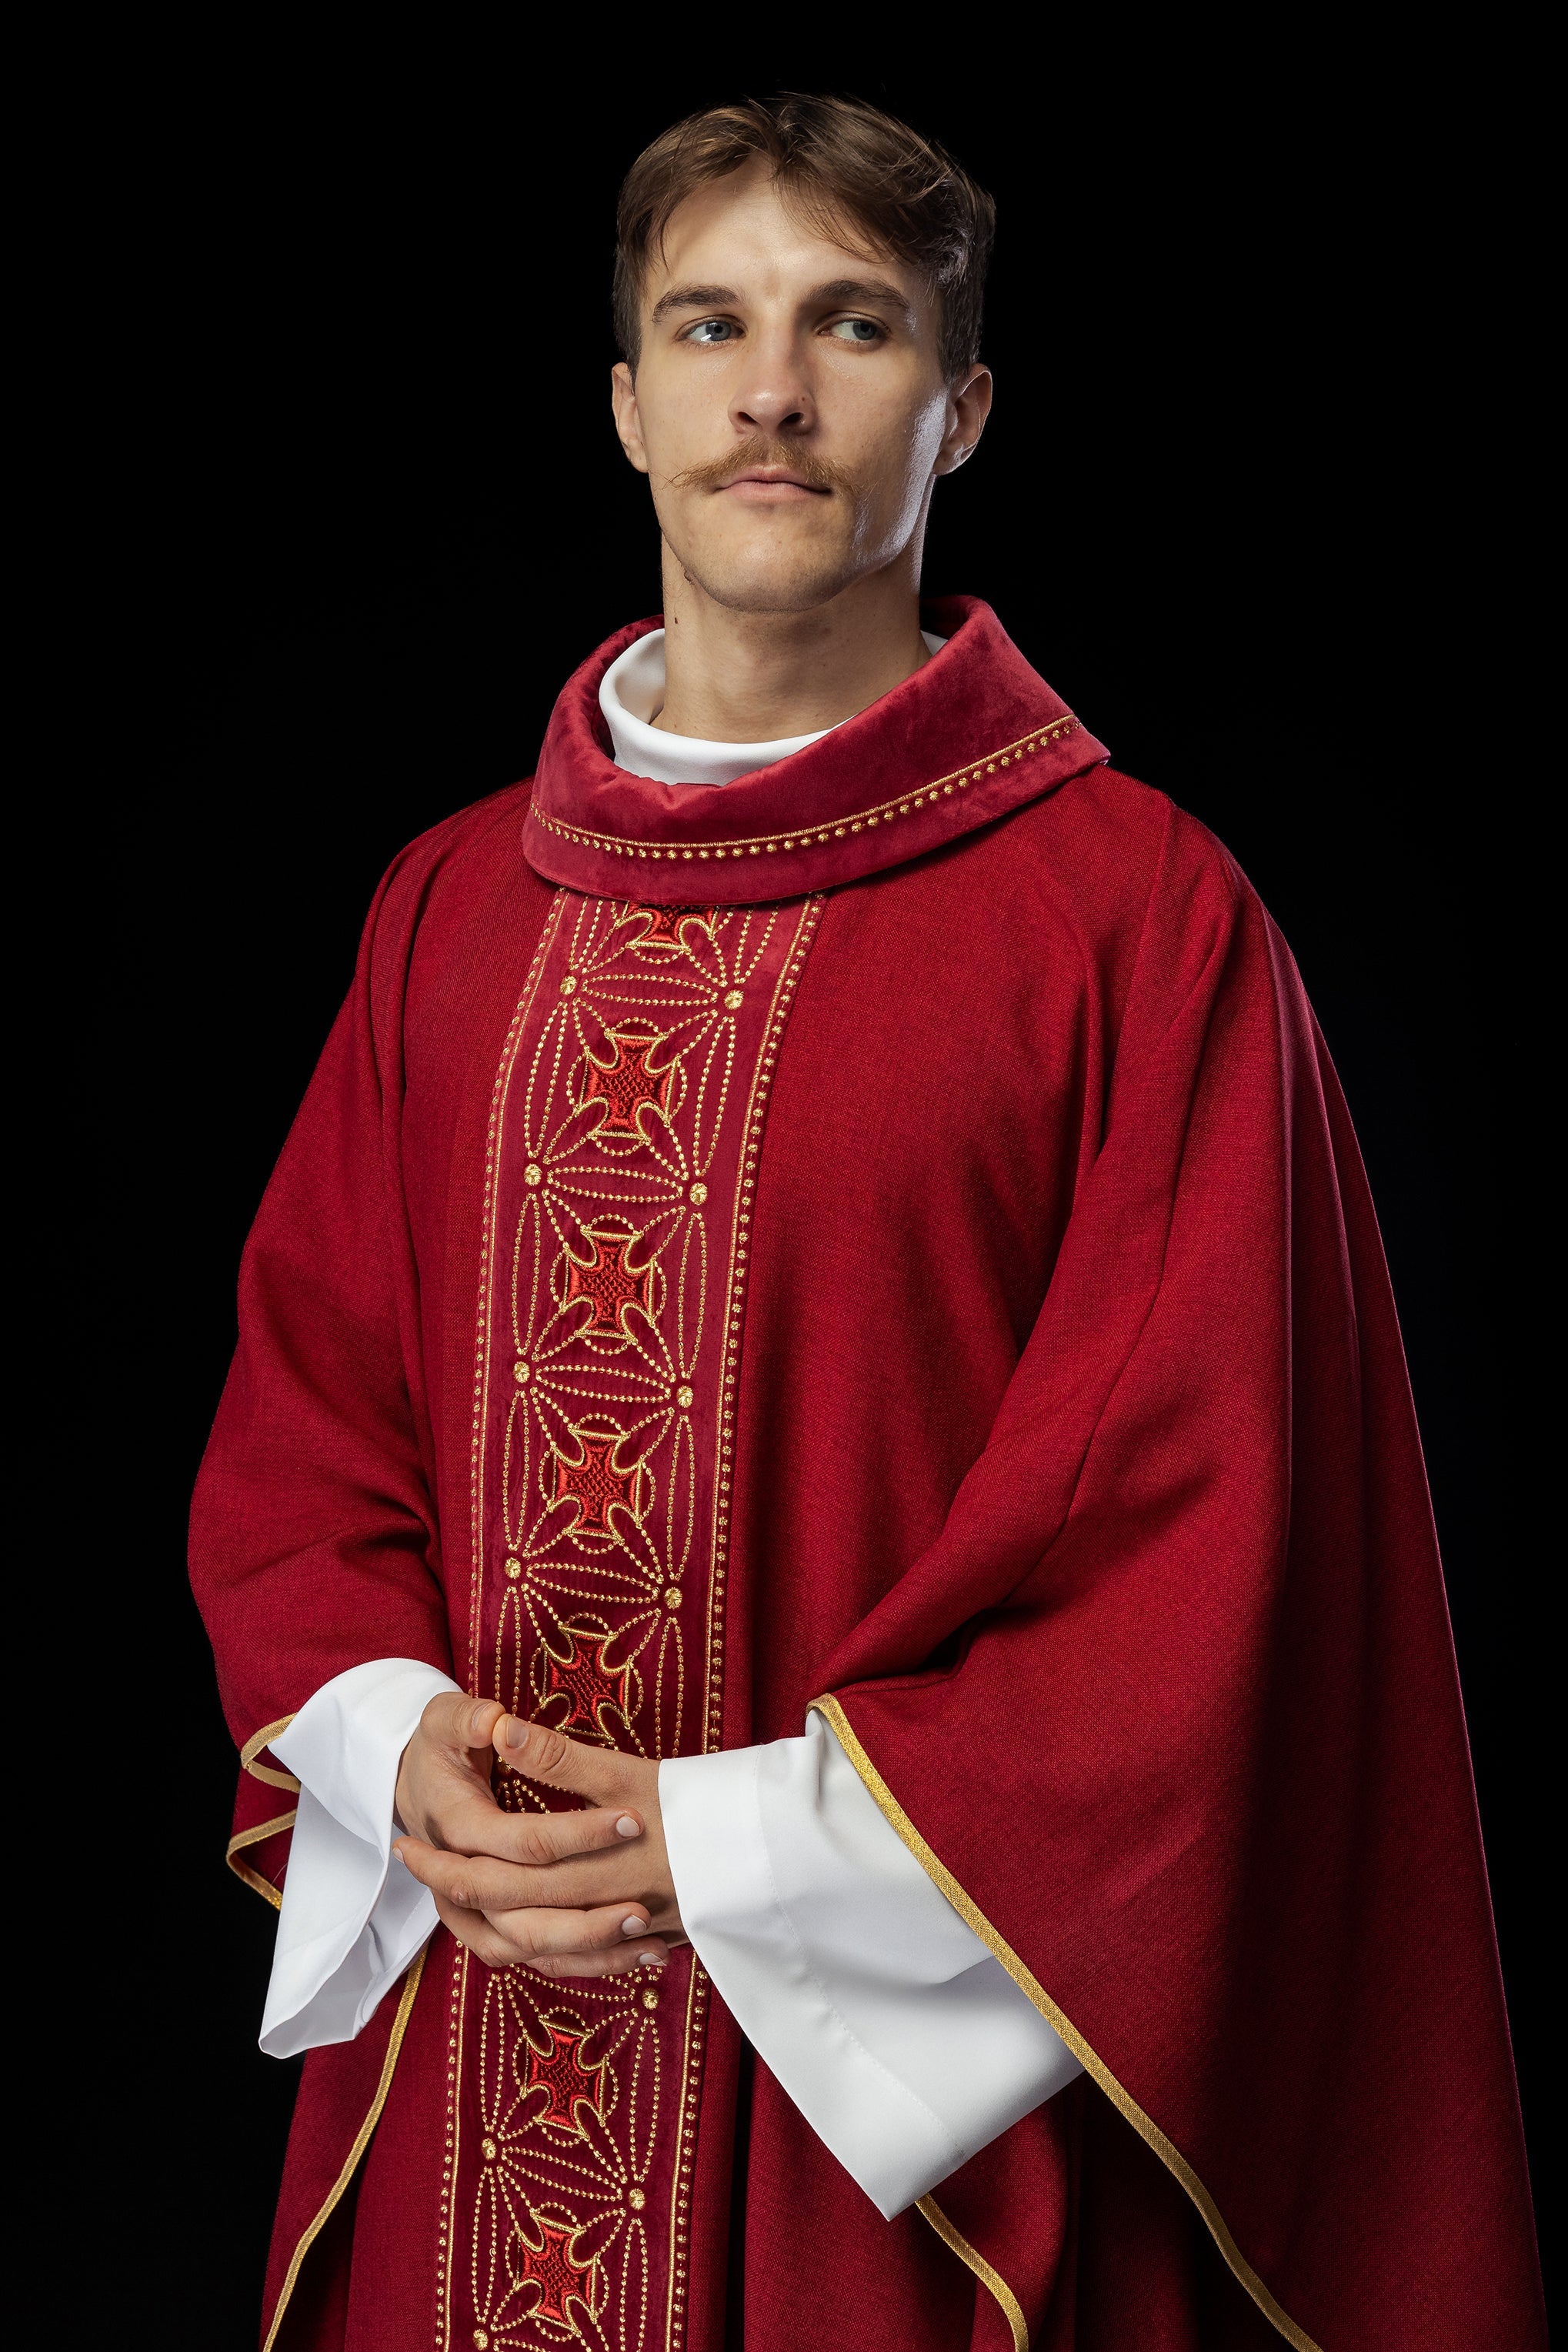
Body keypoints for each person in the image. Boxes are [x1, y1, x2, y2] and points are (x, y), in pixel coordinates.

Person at [192, 92, 1544, 2352]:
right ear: (628, 401)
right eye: (710, 324)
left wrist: (734, 1851)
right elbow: (309, 1425)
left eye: (856, 325)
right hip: (476, 2048)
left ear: (966, 404)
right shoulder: (447, 911)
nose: (777, 390)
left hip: (890, 2148)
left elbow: (1211, 1569)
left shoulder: (1139, 927)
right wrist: (385, 1731)